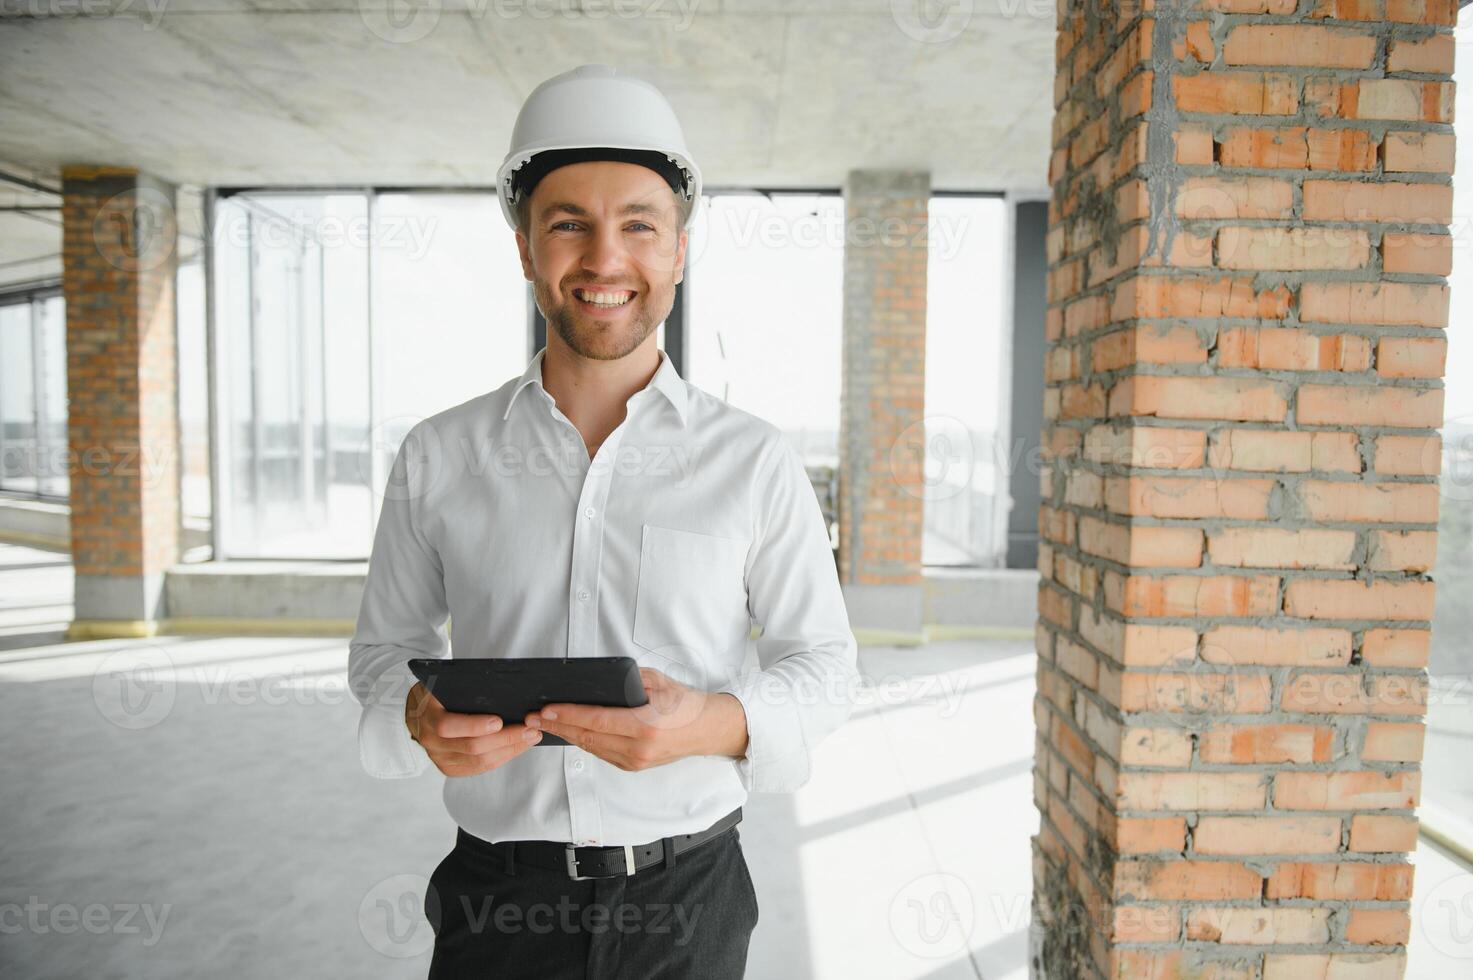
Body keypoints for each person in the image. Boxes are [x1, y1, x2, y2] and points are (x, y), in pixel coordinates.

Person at [347, 63, 859, 979]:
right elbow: (384, 651)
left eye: (637, 226)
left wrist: (708, 725)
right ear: (523, 247)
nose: (603, 260)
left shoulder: (752, 459)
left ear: (678, 250)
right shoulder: (438, 453)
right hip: (494, 902)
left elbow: (825, 667)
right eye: (568, 224)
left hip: (688, 904)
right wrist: (419, 712)